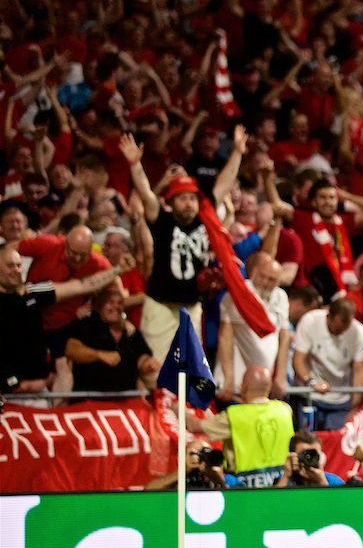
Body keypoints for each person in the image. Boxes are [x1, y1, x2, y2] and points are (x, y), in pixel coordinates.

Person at [120, 136, 210, 362]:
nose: (189, 203)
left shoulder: (205, 222)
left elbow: (225, 184)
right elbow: (146, 194)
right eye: (182, 198)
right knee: (157, 368)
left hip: (192, 307)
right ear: (170, 201)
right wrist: (134, 164)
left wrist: (237, 151)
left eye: (192, 198)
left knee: (192, 370)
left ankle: (184, 401)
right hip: (160, 305)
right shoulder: (162, 219)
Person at [0, 244, 133, 395]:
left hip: (38, 393)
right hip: (6, 396)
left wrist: (117, 270)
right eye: (10, 266)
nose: (17, 270)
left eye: (18, 265)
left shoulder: (32, 292)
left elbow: (80, 286)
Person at [188, 365, 295, 488]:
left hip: (243, 489)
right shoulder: (285, 409)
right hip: (282, 486)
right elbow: (258, 412)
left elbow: (194, 426)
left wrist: (177, 408)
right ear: (269, 387)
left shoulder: (233, 415)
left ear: (243, 387)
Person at [216, 254, 290, 399]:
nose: (265, 282)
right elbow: (225, 337)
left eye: (271, 279)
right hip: (237, 382)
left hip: (263, 381)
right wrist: (229, 376)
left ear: (279, 281)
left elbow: (284, 337)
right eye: (262, 276)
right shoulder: (238, 294)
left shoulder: (281, 297)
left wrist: (281, 375)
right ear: (253, 272)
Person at [64, 286, 159, 393]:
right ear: (99, 305)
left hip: (126, 400)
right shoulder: (86, 325)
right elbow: (71, 349)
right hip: (91, 399)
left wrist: (148, 363)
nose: (116, 306)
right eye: (111, 302)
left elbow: (141, 355)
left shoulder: (130, 331)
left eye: (119, 303)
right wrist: (99, 355)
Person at [293, 298, 363, 430]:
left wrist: (355, 406)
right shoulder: (310, 321)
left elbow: (358, 370)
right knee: (307, 440)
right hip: (310, 395)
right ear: (328, 316)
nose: (341, 332)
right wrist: (311, 382)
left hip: (340, 398)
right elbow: (298, 360)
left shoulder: (358, 332)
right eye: (337, 328)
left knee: (337, 443)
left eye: (345, 329)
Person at [275, 431, 345, 487]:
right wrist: (286, 476)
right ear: (293, 456)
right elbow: (274, 502)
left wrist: (322, 482)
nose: (309, 458)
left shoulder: (334, 482)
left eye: (313, 454)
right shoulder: (285, 481)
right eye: (304, 454)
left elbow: (337, 504)